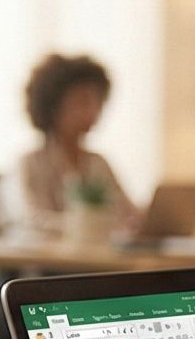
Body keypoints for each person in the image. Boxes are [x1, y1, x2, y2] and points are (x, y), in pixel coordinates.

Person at [12, 52, 138, 235]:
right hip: (48, 261)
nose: (92, 112)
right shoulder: (31, 163)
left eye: (97, 102)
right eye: (81, 102)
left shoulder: (98, 163)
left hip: (97, 259)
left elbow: (127, 213)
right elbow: (32, 220)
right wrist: (88, 225)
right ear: (54, 107)